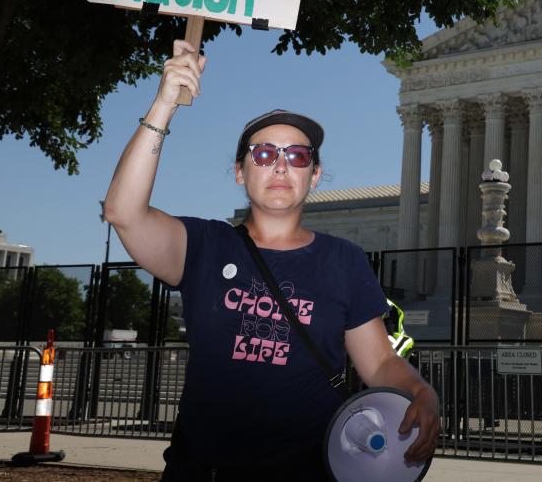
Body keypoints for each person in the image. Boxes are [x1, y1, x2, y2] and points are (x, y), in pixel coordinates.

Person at [104, 41, 440, 480]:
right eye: (264, 153)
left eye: (297, 156)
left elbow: (377, 363)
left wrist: (420, 390)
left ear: (313, 175)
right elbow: (122, 213)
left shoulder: (345, 260)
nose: (280, 166)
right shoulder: (205, 245)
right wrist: (164, 105)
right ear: (241, 171)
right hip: (203, 471)